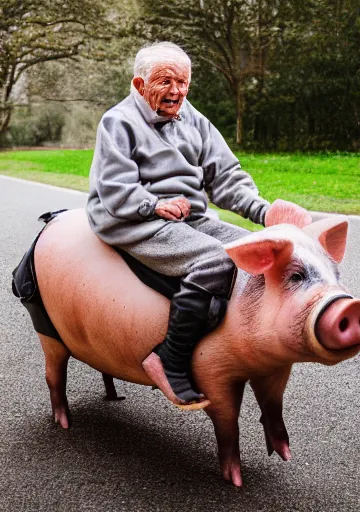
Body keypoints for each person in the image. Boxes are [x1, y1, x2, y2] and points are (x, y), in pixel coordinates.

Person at [87, 42, 307, 407]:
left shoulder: (193, 119)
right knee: (218, 260)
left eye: (183, 82)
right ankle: (167, 358)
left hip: (189, 215)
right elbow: (114, 189)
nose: (177, 91)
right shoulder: (118, 121)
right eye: (166, 81)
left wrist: (264, 213)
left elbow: (225, 176)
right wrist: (154, 205)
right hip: (131, 219)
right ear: (140, 85)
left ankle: (245, 340)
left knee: (255, 252)